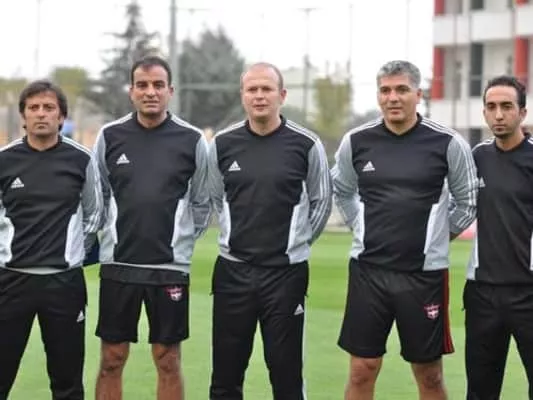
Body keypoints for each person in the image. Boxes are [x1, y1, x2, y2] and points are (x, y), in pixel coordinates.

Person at [332, 60, 478, 400]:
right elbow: (341, 189)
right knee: (362, 369)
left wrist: (437, 238)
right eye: (385, 90)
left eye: (401, 89)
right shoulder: (357, 141)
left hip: (423, 276)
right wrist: (359, 226)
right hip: (369, 273)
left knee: (429, 375)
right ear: (378, 95)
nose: (393, 97)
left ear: (418, 94)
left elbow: (468, 201)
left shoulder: (447, 143)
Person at [206, 62, 332, 400]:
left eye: (266, 89)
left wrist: (296, 243)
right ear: (243, 95)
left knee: (286, 375)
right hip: (233, 273)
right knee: (226, 376)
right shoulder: (222, 144)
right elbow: (216, 197)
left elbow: (321, 202)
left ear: (282, 95)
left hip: (285, 275)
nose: (259, 96)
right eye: (252, 89)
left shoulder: (306, 144)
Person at [93, 55, 210, 400]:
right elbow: (97, 196)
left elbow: (202, 202)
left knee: (168, 359)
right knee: (112, 359)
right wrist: (108, 236)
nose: (150, 92)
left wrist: (179, 241)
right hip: (119, 265)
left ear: (170, 90)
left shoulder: (192, 140)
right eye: (142, 85)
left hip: (168, 267)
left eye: (158, 85)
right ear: (131, 91)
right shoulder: (110, 136)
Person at [0, 80, 102, 400]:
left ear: (61, 117)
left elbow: (94, 215)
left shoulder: (81, 159)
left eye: (49, 108)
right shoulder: (4, 160)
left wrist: (73, 255)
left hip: (64, 284)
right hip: (11, 282)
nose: (41, 114)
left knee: (67, 381)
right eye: (33, 108)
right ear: (23, 116)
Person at [465, 75, 533, 400]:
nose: (499, 114)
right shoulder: (475, 157)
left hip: (529, 292)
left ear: (522, 112)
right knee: (480, 391)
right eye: (491, 107)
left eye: (507, 106)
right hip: (483, 294)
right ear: (484, 113)